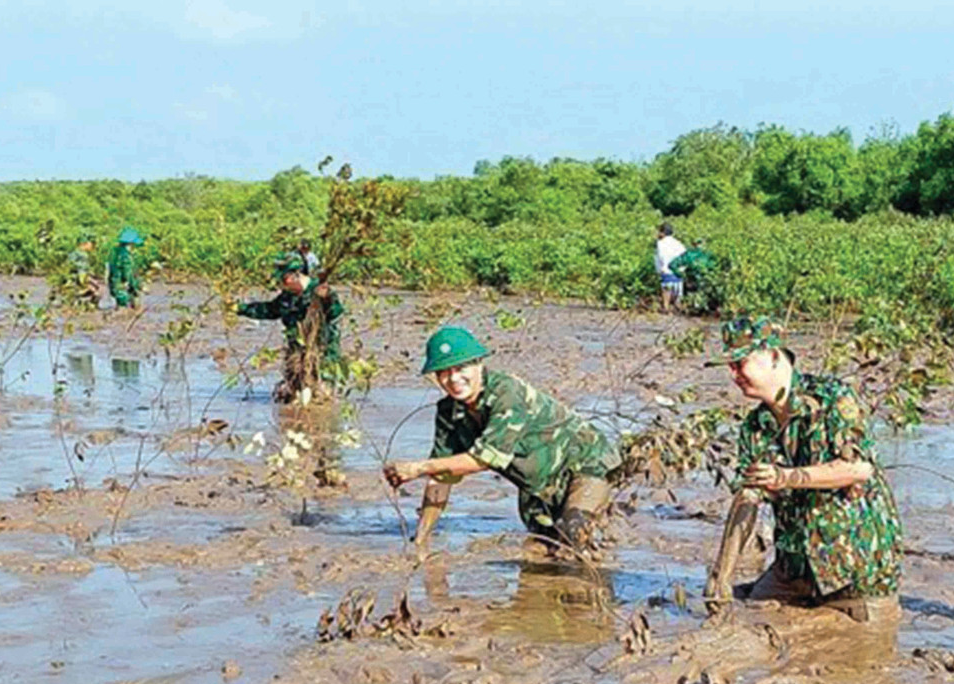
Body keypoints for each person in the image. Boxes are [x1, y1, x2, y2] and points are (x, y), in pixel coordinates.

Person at [705, 317, 902, 624]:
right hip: (793, 568)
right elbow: (747, 498)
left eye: (740, 364)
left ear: (772, 356)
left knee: (859, 653)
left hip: (853, 567)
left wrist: (786, 477)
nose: (734, 376)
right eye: (729, 367)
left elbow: (858, 469)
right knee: (748, 624)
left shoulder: (834, 398)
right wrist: (721, 576)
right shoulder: (755, 427)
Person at [384, 327, 620, 559]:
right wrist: (421, 539)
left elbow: (484, 458)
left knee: (573, 539)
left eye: (460, 368)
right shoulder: (449, 412)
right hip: (537, 486)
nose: (453, 378)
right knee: (537, 552)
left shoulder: (507, 392)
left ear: (479, 364)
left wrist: (418, 468)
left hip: (587, 467)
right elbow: (441, 477)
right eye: (444, 372)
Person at [234, 252, 345, 401]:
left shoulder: (319, 291)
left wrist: (327, 299)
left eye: (283, 280)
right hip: (297, 353)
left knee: (322, 395)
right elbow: (270, 310)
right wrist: (240, 309)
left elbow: (335, 314)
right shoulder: (287, 297)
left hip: (322, 352)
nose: (280, 284)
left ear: (295, 276)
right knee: (291, 395)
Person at [668, 240, 720, 315]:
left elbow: (672, 265)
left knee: (691, 306)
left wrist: (681, 275)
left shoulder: (689, 254)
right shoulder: (709, 255)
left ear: (693, 244)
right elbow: (717, 268)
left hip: (691, 282)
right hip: (706, 283)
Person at [107, 226, 146, 310]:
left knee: (120, 308)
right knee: (125, 310)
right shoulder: (126, 257)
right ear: (131, 243)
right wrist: (138, 286)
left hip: (114, 285)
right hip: (123, 288)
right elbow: (128, 275)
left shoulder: (115, 252)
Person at [57, 237, 102, 308]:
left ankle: (91, 305)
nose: (92, 246)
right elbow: (71, 265)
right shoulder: (76, 254)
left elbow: (86, 267)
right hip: (78, 277)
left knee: (96, 290)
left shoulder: (84, 254)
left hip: (84, 276)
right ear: (84, 244)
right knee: (91, 289)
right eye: (91, 244)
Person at [654, 222, 688, 312]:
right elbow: (685, 257)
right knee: (678, 294)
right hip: (679, 273)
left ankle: (666, 307)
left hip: (667, 272)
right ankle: (678, 306)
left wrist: (658, 270)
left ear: (662, 232)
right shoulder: (679, 243)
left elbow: (659, 258)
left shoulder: (660, 243)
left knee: (666, 290)